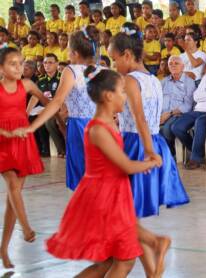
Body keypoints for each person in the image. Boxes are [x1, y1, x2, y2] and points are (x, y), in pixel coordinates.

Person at [46, 69, 156, 278]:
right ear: (108, 96)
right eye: (122, 91)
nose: (126, 95)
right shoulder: (98, 129)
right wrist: (152, 162)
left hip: (114, 195)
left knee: (107, 262)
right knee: (124, 260)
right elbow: (126, 166)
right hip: (104, 199)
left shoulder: (110, 123)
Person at [109, 24, 188, 276]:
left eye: (114, 59)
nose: (114, 66)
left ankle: (156, 243)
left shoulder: (130, 80)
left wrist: (146, 152)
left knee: (122, 214)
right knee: (128, 215)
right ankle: (152, 270)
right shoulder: (153, 79)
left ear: (128, 56)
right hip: (154, 141)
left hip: (137, 143)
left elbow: (140, 119)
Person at [13, 26, 101, 191]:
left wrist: (33, 125)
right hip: (101, 126)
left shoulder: (71, 70)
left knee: (82, 176)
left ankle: (86, 211)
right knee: (97, 172)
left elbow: (56, 102)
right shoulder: (102, 70)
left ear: (74, 53)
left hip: (80, 127)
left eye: (68, 48)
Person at [0, 47, 48, 268]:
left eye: (21, 63)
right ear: (1, 68)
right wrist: (7, 133)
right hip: (3, 141)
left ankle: (3, 249)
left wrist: (61, 110)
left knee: (13, 198)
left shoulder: (27, 85)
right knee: (12, 185)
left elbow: (48, 103)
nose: (19, 67)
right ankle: (26, 228)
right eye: (13, 63)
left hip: (22, 139)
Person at [160, 56, 195, 152]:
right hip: (162, 114)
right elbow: (157, 100)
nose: (173, 65)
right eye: (170, 64)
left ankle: (171, 153)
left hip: (178, 114)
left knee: (166, 129)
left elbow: (188, 106)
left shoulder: (189, 82)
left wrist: (169, 114)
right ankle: (167, 153)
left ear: (183, 66)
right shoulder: (163, 82)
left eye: (176, 63)